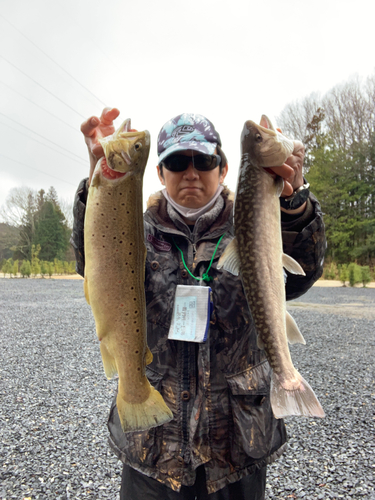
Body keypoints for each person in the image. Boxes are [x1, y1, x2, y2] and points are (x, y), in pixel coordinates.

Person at [71, 108, 326, 500]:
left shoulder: (254, 221)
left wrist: (294, 203)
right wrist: (98, 180)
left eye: (203, 160)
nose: (190, 172)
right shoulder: (132, 229)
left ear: (222, 169)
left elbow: (302, 274)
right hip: (153, 445)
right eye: (176, 161)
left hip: (237, 446)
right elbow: (95, 265)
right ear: (160, 173)